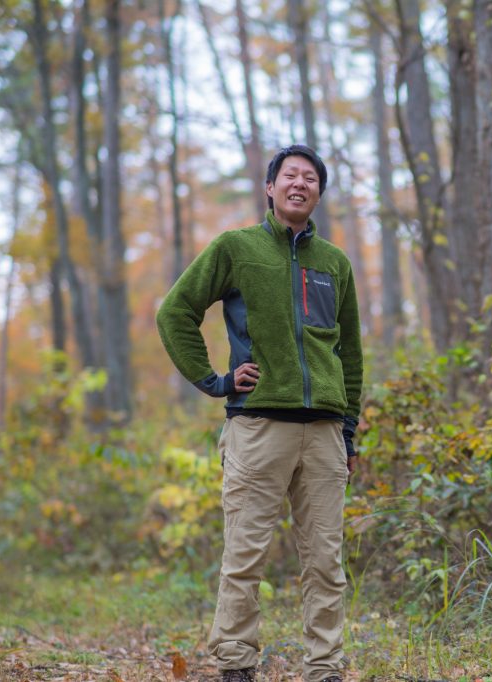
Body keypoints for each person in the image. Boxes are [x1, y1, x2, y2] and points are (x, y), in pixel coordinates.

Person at [155, 145, 362, 682]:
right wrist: (214, 381)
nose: (300, 184)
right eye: (289, 175)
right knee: (245, 559)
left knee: (325, 564)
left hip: (323, 434)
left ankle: (325, 670)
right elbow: (175, 311)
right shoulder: (236, 248)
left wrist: (349, 432)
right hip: (257, 427)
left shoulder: (335, 264)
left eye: (310, 178)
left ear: (318, 192)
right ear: (269, 188)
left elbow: (351, 355)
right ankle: (237, 667)